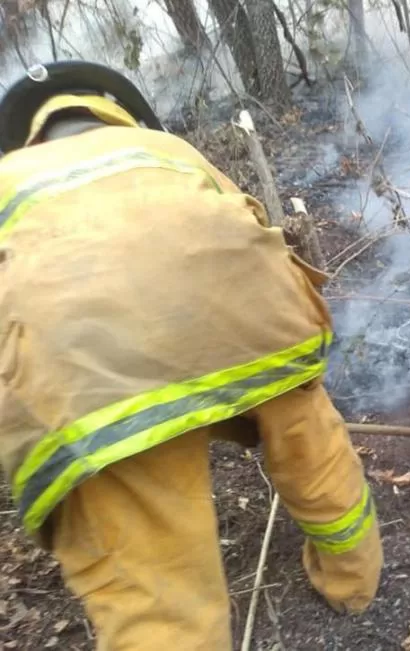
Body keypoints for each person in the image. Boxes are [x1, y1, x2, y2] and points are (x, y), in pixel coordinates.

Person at [0, 60, 383, 650]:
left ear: (32, 129)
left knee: (157, 582)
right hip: (254, 332)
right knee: (313, 451)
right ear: (113, 109)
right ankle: (354, 585)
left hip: (92, 387)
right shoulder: (170, 150)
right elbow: (251, 228)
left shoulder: (8, 179)